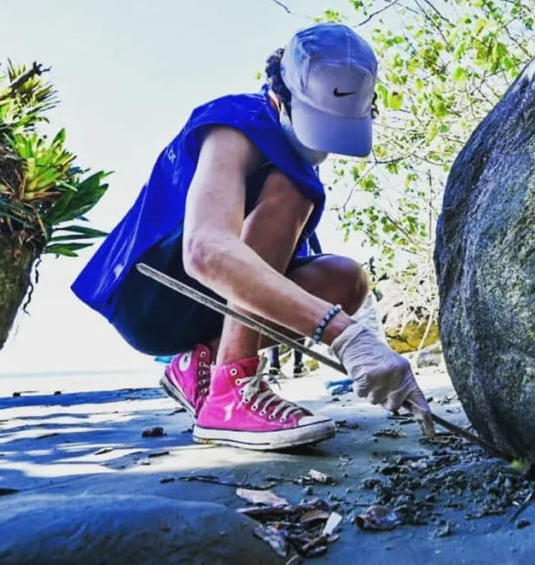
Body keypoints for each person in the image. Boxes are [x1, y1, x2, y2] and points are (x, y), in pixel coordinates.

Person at [72, 23, 430, 450]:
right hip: (152, 294)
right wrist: (345, 335)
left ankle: (199, 364)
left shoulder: (291, 156)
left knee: (344, 280)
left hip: (211, 304)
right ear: (281, 98)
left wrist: (364, 333)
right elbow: (205, 251)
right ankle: (231, 391)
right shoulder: (236, 124)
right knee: (295, 187)